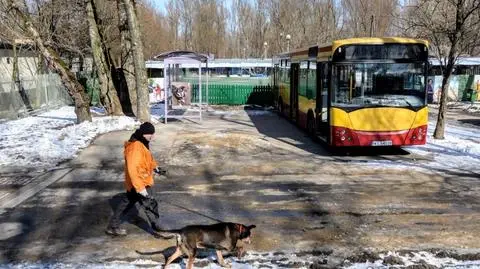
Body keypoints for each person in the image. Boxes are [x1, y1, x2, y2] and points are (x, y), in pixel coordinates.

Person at [106, 122, 166, 236]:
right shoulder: (135, 147)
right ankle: (159, 229)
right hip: (140, 182)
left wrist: (155, 167)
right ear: (143, 134)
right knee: (150, 204)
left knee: (127, 203)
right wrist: (140, 188)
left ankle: (112, 227)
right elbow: (133, 169)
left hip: (136, 183)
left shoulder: (142, 143)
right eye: (150, 134)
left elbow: (146, 159)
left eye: (153, 134)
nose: (153, 137)